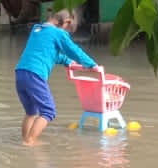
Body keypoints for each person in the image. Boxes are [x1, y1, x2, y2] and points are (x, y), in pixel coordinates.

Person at [15, 7, 98, 145]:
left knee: (31, 112)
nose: (66, 33)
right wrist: (91, 64)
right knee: (48, 111)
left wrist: (67, 61)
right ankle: (30, 142)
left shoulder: (37, 29)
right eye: (67, 30)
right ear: (66, 22)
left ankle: (25, 140)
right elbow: (73, 50)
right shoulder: (58, 33)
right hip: (36, 74)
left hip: (20, 73)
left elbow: (49, 53)